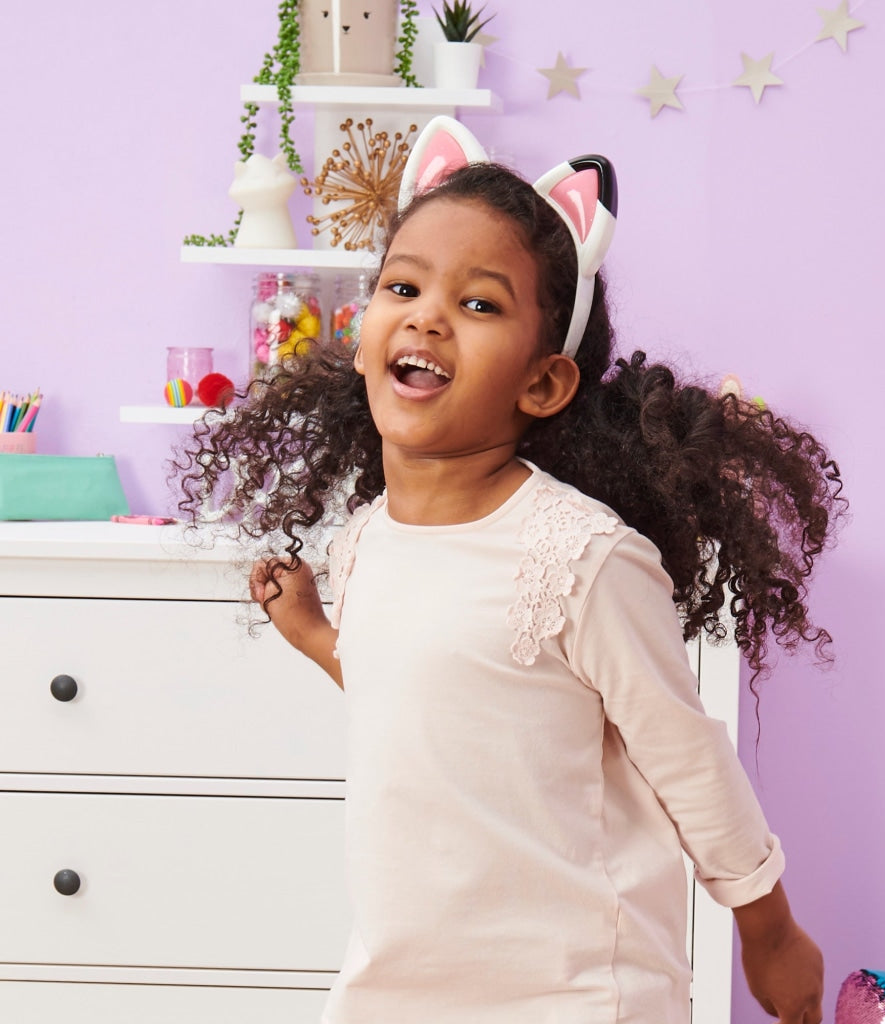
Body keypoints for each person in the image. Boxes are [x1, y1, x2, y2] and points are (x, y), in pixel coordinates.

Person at [176, 117, 844, 1024]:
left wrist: (770, 933)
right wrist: (318, 636)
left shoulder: (582, 558)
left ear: (543, 383)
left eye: (480, 305)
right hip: (404, 984)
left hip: (573, 990)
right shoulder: (365, 539)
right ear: (363, 336)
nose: (427, 314)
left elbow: (688, 761)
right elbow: (430, 693)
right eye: (403, 286)